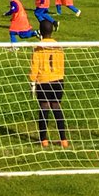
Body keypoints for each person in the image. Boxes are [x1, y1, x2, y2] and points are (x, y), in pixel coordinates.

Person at [29, 20, 68, 148]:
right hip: (58, 80)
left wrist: (32, 81)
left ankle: (43, 140)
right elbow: (61, 63)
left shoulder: (39, 47)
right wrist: (60, 77)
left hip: (43, 80)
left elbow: (35, 65)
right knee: (56, 106)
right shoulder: (58, 46)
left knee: (44, 107)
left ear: (40, 31)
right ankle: (64, 140)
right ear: (52, 31)